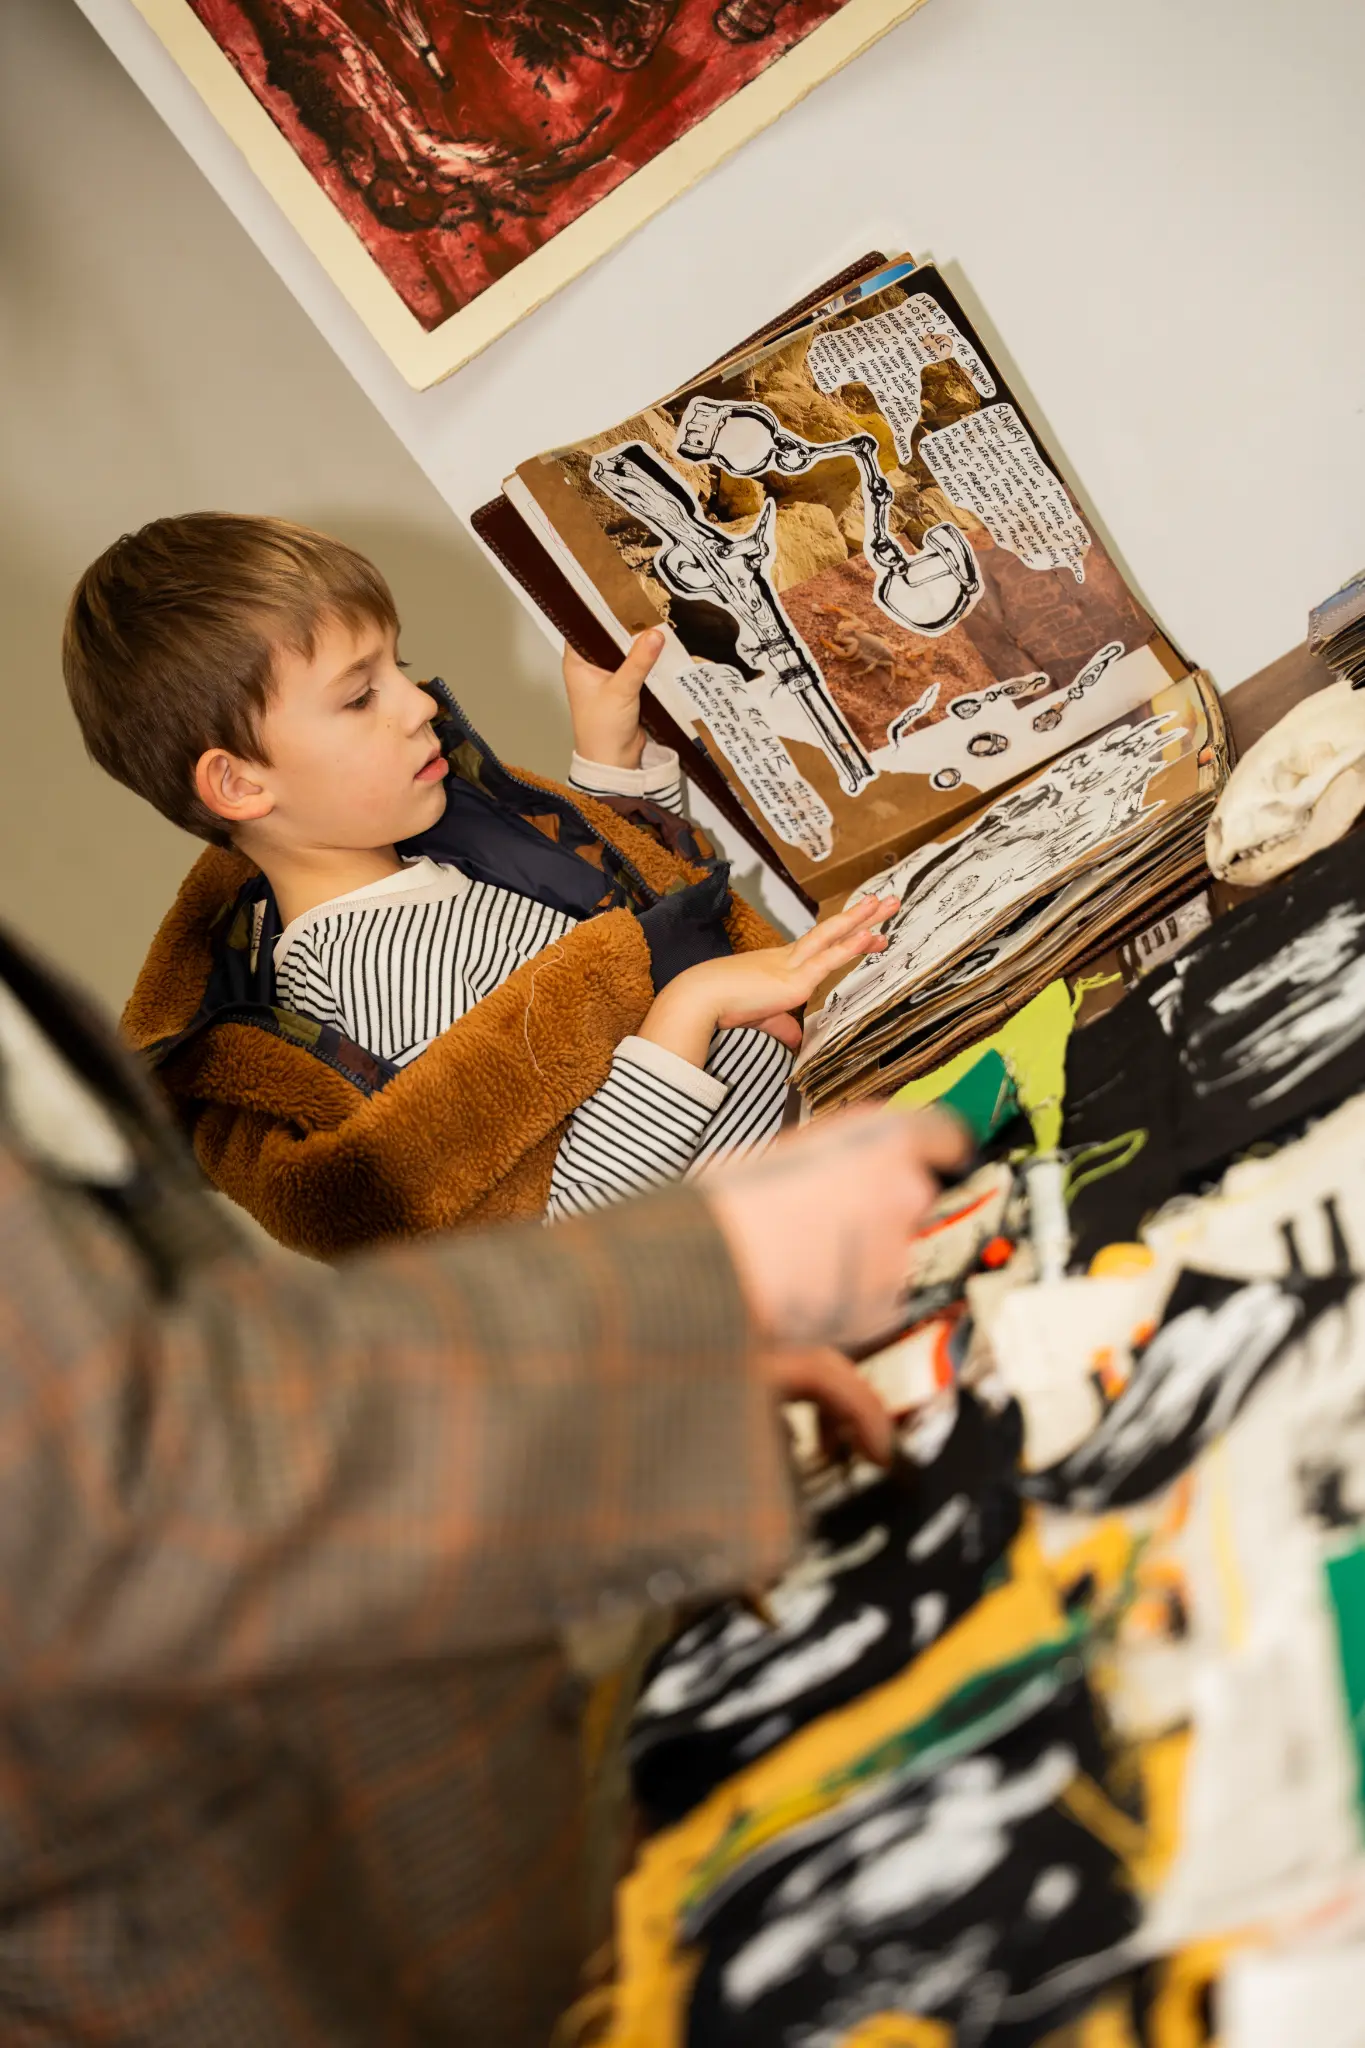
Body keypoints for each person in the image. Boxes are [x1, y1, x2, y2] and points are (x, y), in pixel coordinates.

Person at [0, 914, 961, 2046]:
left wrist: (664, 1376)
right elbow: (122, 1487)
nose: (425, 719)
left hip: (485, 1880)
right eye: (357, 713)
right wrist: (697, 1280)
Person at [64, 514, 896, 1255]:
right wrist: (694, 1006)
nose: (419, 703)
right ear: (240, 786)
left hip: (820, 1156)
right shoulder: (367, 972)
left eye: (400, 666)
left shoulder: (433, 855)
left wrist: (611, 767)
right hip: (783, 1248)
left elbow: (620, 929)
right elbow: (565, 1233)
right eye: (359, 698)